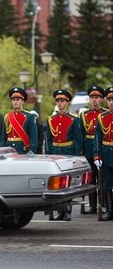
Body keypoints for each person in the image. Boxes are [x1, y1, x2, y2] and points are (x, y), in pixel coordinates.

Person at [45, 89, 82, 221]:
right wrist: (47, 155)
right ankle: (58, 211)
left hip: (68, 153)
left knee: (68, 184)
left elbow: (78, 139)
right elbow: (48, 140)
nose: (60, 103)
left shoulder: (74, 119)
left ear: (67, 103)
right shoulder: (51, 119)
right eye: (58, 101)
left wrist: (77, 156)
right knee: (56, 184)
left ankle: (67, 211)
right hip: (55, 153)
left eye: (63, 101)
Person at [81, 85, 106, 214]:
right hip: (88, 150)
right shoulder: (84, 115)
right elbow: (81, 134)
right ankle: (92, 205)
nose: (94, 100)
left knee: (103, 179)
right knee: (91, 179)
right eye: (92, 97)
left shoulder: (105, 113)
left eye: (97, 97)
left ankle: (104, 203)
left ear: (101, 99)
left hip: (102, 148)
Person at [93, 87, 113, 221]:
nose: (111, 102)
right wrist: (96, 155)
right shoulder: (102, 117)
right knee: (107, 184)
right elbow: (97, 138)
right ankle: (110, 211)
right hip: (106, 154)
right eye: (109, 99)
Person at [1, 87, 38, 154]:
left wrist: (32, 152)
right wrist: (2, 151)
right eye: (13, 100)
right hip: (9, 150)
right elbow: (3, 137)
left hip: (23, 149)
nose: (15, 102)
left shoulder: (29, 116)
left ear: (23, 101)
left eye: (18, 100)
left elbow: (34, 138)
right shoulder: (7, 116)